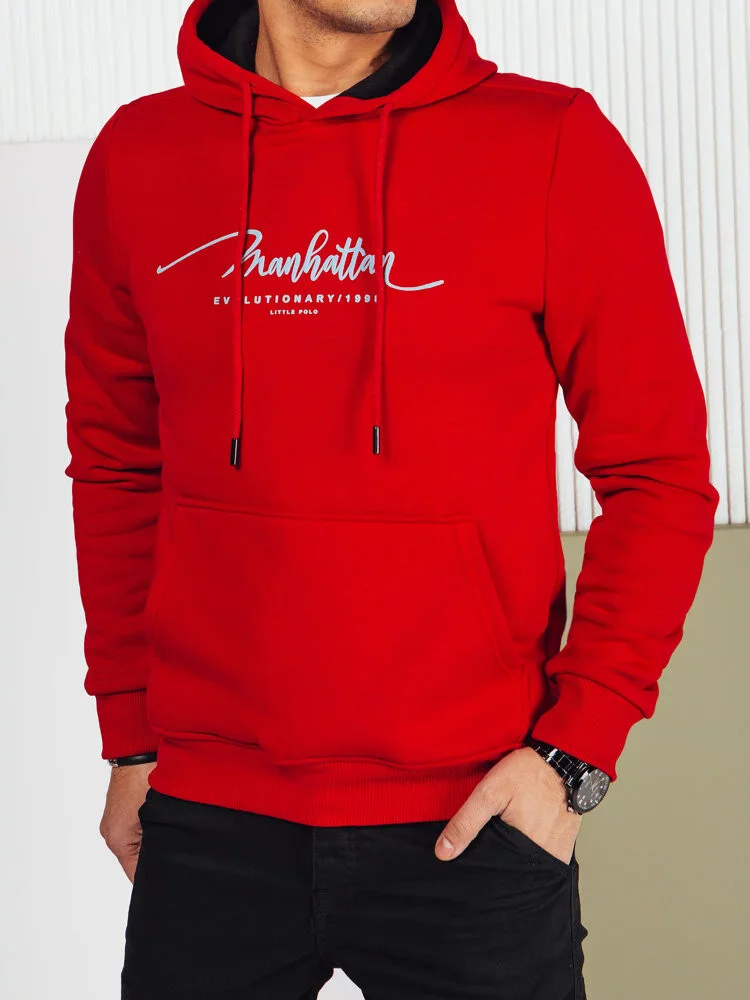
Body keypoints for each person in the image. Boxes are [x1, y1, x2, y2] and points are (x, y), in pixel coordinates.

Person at [63, 1, 720, 997]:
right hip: (209, 812)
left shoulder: (550, 144)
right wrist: (131, 737)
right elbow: (119, 464)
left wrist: (575, 754)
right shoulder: (138, 158)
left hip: (475, 814)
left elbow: (659, 470)